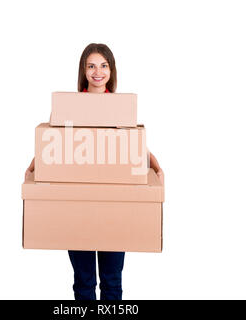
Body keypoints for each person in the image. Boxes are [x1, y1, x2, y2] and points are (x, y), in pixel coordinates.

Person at [24, 43, 164, 300]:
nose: (97, 72)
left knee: (112, 282)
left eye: (103, 65)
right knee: (84, 282)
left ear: (111, 70)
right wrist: (35, 165)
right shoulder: (67, 106)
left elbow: (132, 143)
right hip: (78, 204)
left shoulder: (122, 107)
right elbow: (53, 142)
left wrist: (154, 162)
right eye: (91, 66)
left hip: (115, 204)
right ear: (83, 71)